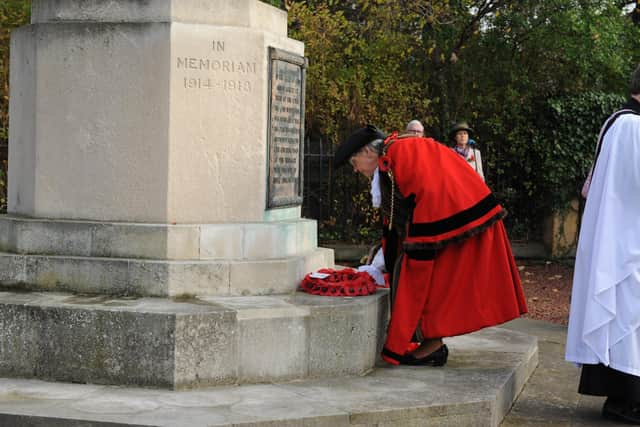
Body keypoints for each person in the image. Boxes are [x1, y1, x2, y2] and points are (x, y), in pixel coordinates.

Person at [334, 125, 527, 366]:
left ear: (367, 153)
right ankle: (430, 343)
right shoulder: (394, 155)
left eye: (354, 162)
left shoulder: (398, 155)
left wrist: (414, 246)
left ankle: (431, 344)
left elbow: (430, 191)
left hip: (456, 217)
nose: (355, 169)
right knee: (420, 273)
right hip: (451, 214)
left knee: (426, 276)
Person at [565, 64, 640, 424]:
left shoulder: (623, 121)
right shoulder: (630, 125)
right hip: (626, 243)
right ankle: (625, 400)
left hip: (626, 237)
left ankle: (624, 398)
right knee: (626, 317)